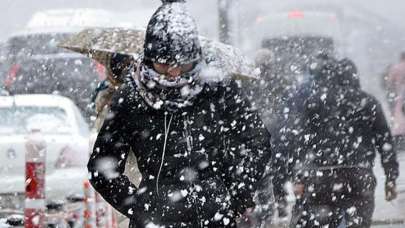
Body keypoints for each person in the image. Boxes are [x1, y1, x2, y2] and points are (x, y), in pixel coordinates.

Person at [87, 1, 272, 227]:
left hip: (214, 217)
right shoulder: (132, 97)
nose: (174, 73)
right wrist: (140, 208)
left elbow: (256, 140)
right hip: (155, 218)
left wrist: (238, 192)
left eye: (182, 65)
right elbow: (102, 167)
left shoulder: (217, 88)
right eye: (164, 65)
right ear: (148, 58)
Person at [285, 54, 399, 228]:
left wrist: (298, 176)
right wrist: (390, 177)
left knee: (322, 221)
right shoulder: (368, 102)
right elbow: (385, 141)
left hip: (321, 175)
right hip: (359, 174)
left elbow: (299, 140)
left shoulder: (314, 101)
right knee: (358, 221)